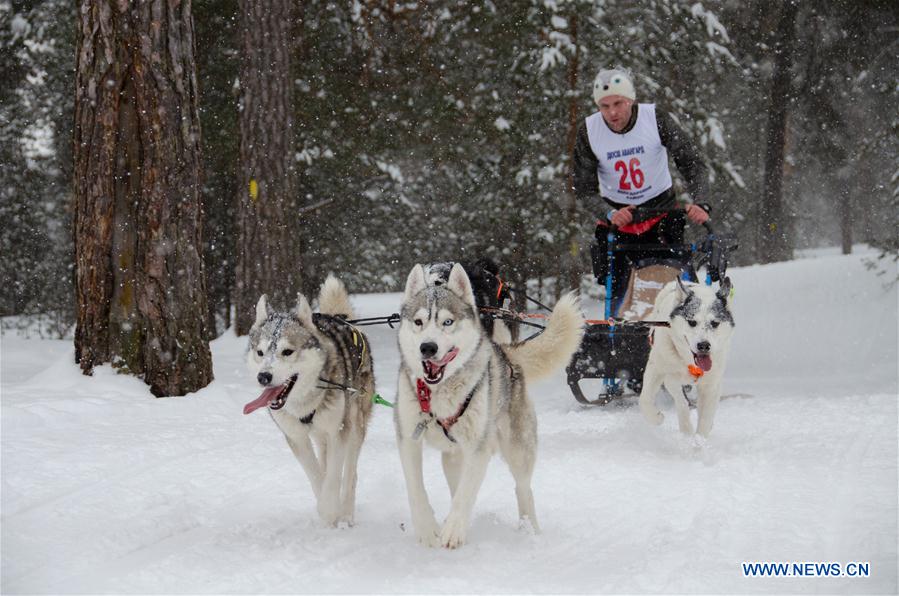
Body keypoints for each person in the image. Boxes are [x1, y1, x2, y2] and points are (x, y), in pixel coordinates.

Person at [572, 67, 711, 315]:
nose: (612, 113)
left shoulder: (654, 118)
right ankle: (621, 342)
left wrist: (701, 202)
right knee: (621, 298)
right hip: (618, 224)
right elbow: (584, 190)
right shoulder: (589, 131)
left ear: (631, 99)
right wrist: (608, 213)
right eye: (604, 106)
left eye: (618, 103)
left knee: (671, 291)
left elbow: (691, 161)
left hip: (661, 217)